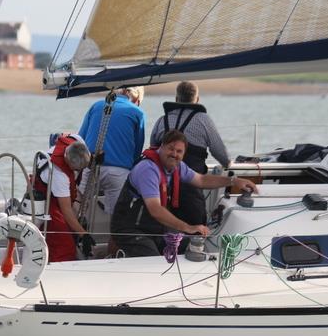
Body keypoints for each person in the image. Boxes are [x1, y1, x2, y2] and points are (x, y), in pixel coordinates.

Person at [111, 129, 257, 257]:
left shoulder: (177, 166)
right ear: (161, 147)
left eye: (179, 151)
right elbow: (155, 210)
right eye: (171, 149)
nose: (174, 154)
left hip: (153, 229)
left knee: (186, 247)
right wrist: (188, 228)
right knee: (153, 261)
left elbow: (201, 180)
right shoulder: (147, 170)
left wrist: (233, 181)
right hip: (129, 229)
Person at [149, 81, 230, 226]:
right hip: (190, 191)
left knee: (164, 235)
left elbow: (153, 150)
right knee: (196, 232)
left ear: (176, 98)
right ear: (197, 99)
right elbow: (222, 156)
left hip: (162, 191)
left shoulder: (162, 120)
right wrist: (228, 164)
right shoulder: (203, 120)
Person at [78, 86, 145, 214]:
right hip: (119, 172)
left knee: (79, 207)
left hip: (90, 165)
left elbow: (81, 138)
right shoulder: (137, 113)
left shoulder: (96, 106)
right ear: (136, 98)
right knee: (116, 216)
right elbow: (137, 150)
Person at [32, 133, 95, 262]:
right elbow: (66, 211)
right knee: (64, 246)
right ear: (68, 162)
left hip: (59, 194)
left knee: (75, 225)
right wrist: (84, 235)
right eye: (77, 169)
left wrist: (94, 159)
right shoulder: (59, 176)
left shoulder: (76, 140)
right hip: (48, 201)